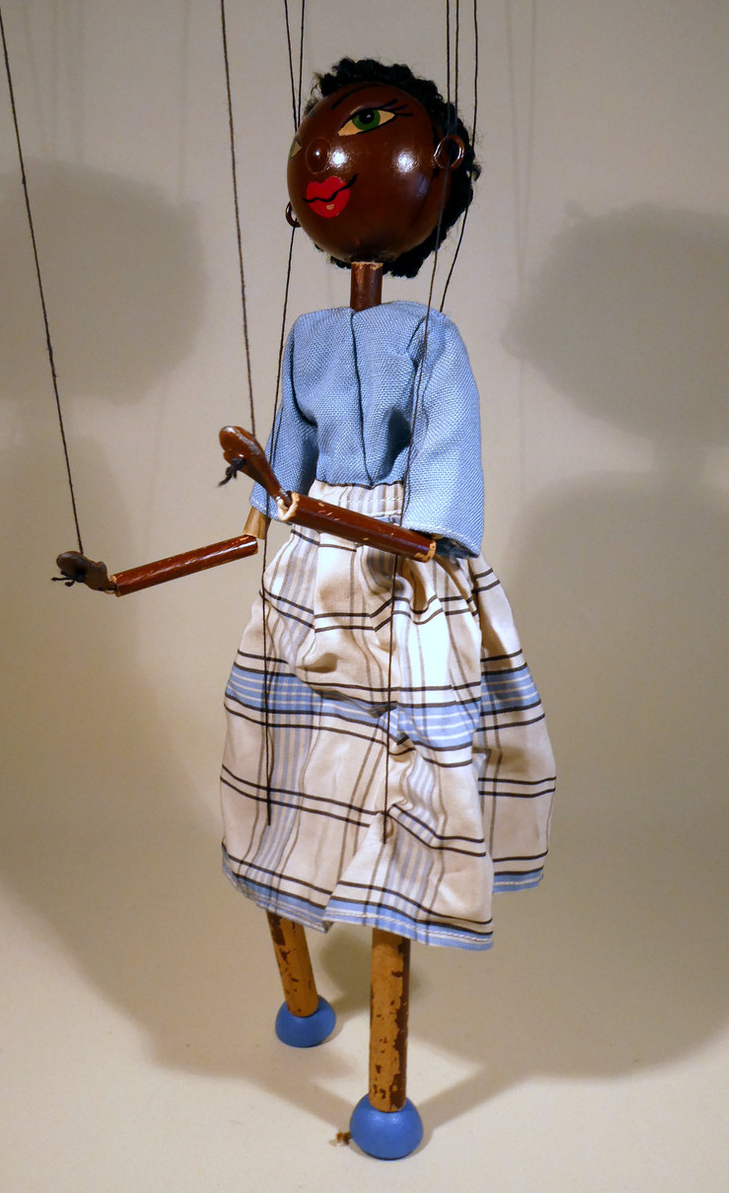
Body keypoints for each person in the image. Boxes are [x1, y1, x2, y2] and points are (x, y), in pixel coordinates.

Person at [221, 57, 556, 958]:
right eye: (317, 138)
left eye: (367, 127)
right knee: (288, 733)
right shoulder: (308, 336)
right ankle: (296, 913)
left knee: (406, 736)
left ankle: (399, 911)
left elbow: (443, 465)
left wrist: (412, 531)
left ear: (439, 164)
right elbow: (281, 464)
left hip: (404, 561)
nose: (326, 154)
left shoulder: (429, 337)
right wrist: (248, 521)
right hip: (310, 560)